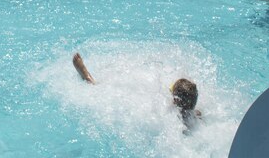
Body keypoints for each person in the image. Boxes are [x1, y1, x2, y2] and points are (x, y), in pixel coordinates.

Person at [71, 53, 201, 128]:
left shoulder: (163, 113)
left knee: (100, 90)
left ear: (174, 99)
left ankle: (88, 77)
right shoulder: (194, 117)